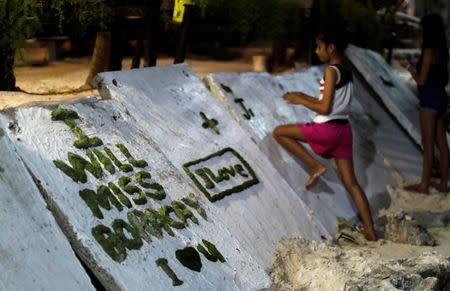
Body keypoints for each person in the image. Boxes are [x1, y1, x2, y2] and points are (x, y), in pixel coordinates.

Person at [272, 24, 377, 241]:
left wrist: (299, 99)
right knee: (353, 184)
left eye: (319, 47)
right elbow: (331, 103)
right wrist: (303, 94)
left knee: (279, 132)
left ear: (331, 48)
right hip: (343, 131)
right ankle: (371, 231)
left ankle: (315, 166)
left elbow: (324, 108)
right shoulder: (346, 69)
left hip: (326, 129)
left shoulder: (330, 71)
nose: (317, 51)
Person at [400, 14, 449, 194]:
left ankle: (424, 185)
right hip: (441, 98)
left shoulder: (428, 50)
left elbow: (421, 80)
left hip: (429, 100)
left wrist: (409, 67)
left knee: (427, 144)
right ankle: (444, 183)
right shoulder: (442, 50)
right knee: (442, 144)